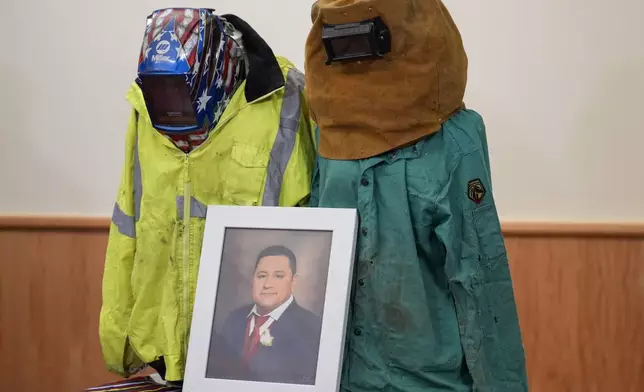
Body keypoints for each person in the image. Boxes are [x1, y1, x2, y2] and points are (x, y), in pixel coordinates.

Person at [304, 1, 529, 391]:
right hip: (342, 375)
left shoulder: (453, 141)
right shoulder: (327, 137)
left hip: (427, 380)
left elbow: (480, 279)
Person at [208, 245, 322, 385]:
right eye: (262, 276)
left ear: (294, 281)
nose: (267, 284)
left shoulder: (311, 328)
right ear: (253, 279)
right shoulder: (234, 319)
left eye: (278, 276)